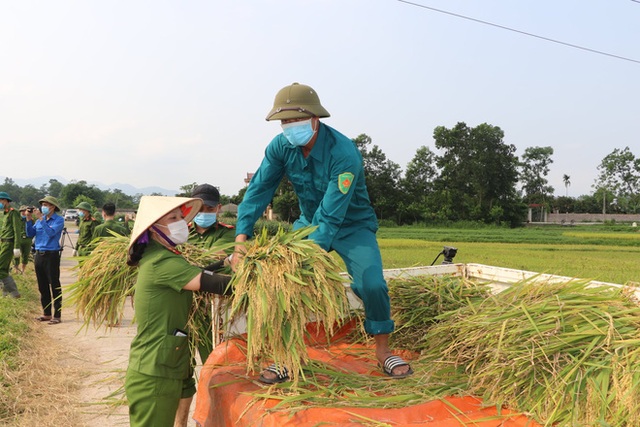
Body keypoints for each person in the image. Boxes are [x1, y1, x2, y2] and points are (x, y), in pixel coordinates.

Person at [231, 82, 413, 382]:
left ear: (315, 119)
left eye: (295, 120)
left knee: (372, 284)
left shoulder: (344, 153)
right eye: (284, 121)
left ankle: (382, 350)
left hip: (352, 225)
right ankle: (286, 355)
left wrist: (304, 255)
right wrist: (240, 241)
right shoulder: (281, 147)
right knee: (285, 281)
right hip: (310, 221)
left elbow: (332, 215)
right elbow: (258, 191)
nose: (289, 127)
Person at [124, 196, 232, 427]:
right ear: (153, 230)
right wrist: (260, 277)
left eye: (181, 217)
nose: (181, 222)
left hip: (164, 363)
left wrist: (226, 261)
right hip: (154, 372)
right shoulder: (161, 263)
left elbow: (197, 274)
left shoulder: (163, 257)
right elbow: (218, 285)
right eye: (173, 218)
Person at [25, 196, 65, 324]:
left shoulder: (58, 220)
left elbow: (51, 233)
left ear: (53, 207)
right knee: (42, 285)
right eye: (43, 205)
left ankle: (57, 315)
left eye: (46, 205)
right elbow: (30, 234)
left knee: (54, 284)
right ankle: (46, 313)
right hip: (39, 254)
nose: (44, 207)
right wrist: (28, 219)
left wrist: (41, 218)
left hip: (51, 255)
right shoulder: (39, 221)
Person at [0, 192, 22, 298]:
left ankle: (14, 292)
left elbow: (16, 230)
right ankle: (6, 293)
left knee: (0, 269)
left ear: (5, 201)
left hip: (9, 243)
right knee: (4, 269)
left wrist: (16, 247)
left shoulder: (14, 213)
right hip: (3, 242)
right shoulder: (5, 213)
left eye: (0, 200)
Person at [13, 205, 34, 274]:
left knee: (25, 255)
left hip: (27, 240)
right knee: (16, 254)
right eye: (22, 211)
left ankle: (22, 270)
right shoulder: (17, 219)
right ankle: (16, 269)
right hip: (19, 239)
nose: (23, 212)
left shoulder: (30, 219)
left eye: (25, 211)